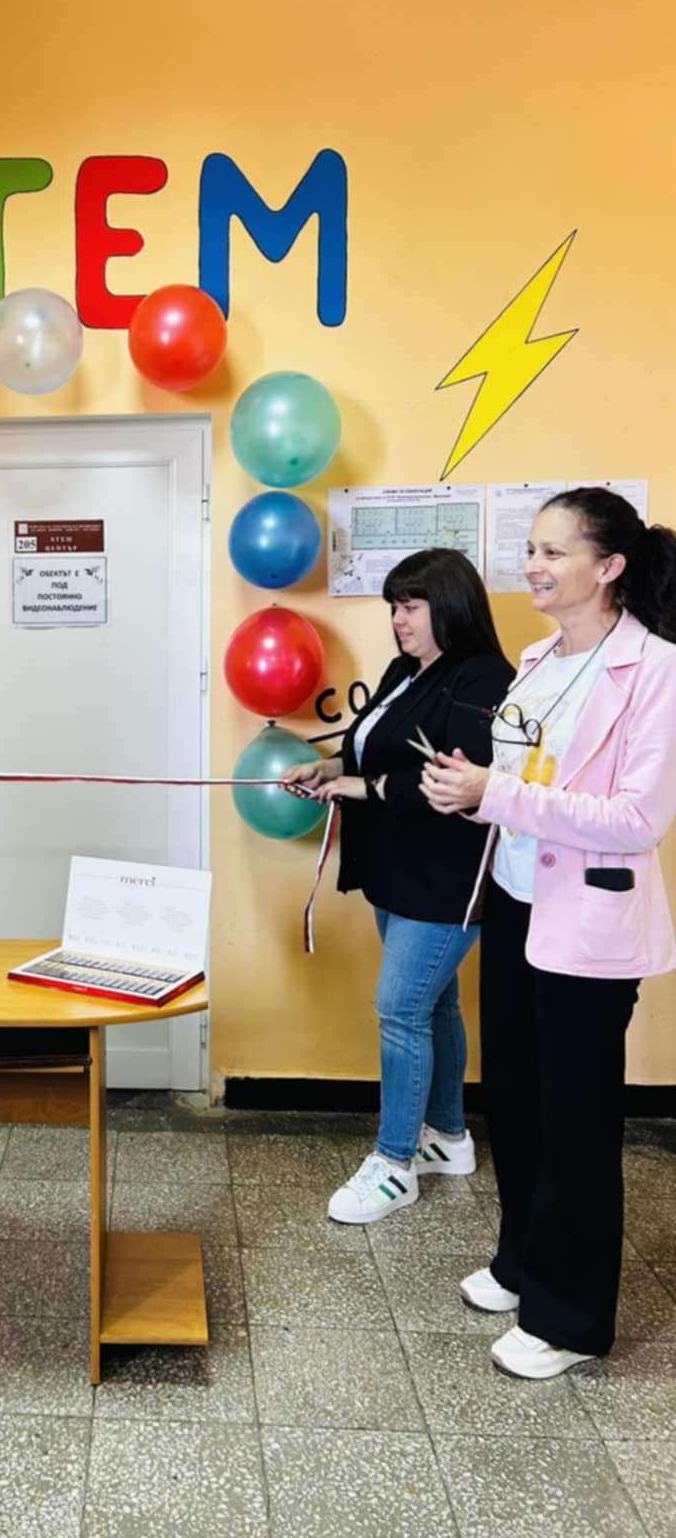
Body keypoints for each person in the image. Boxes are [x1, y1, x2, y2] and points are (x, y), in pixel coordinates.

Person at [422, 488, 676, 1378]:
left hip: (589, 924)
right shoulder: (536, 660)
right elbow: (525, 779)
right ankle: (522, 1262)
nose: (533, 566)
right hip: (516, 900)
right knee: (517, 1100)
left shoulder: (655, 670)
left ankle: (570, 1319)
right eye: (531, 548)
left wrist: (497, 793)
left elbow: (637, 819)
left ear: (609, 568)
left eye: (554, 552)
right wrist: (472, 787)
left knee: (575, 1120)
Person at [285, 549, 513, 1224]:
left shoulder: (485, 678)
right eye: (394, 607)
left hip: (447, 878)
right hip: (396, 869)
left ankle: (394, 1167)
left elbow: (455, 784)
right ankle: (449, 1137)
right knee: (436, 1005)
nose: (398, 620)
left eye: (410, 607)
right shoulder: (405, 671)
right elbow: (372, 748)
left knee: (401, 1011)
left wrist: (363, 787)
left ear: (451, 606)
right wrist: (330, 768)